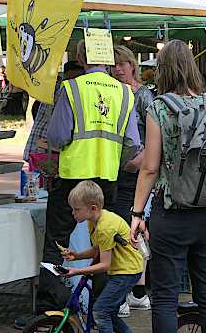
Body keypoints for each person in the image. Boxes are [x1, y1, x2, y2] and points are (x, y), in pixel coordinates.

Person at [130, 40, 206, 333]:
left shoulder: (159, 107)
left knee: (166, 298)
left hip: (172, 215)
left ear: (163, 70)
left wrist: (137, 214)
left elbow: (151, 166)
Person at [39, 41, 140, 310]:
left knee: (56, 242)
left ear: (81, 57)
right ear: (108, 58)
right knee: (103, 241)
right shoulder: (125, 92)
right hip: (107, 178)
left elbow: (58, 136)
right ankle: (101, 306)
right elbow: (132, 143)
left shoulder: (72, 88)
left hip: (73, 178)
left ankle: (53, 306)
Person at [61, 180, 143, 333]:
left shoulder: (105, 226)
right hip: (122, 270)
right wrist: (77, 256)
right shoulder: (94, 220)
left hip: (127, 272)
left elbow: (105, 265)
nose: (73, 213)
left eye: (76, 209)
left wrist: (76, 270)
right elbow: (98, 249)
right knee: (109, 312)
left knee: (100, 310)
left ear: (93, 208)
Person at [110, 46, 154, 311]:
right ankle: (131, 290)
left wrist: (142, 158)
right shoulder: (114, 92)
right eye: (113, 65)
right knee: (122, 229)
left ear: (132, 65)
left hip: (135, 172)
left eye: (121, 64)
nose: (117, 69)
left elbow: (153, 131)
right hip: (116, 170)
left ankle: (134, 290)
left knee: (132, 230)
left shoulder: (143, 95)